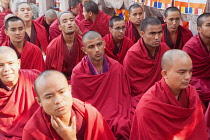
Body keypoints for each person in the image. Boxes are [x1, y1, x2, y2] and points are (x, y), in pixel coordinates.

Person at [130, 49, 208, 140]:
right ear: (165, 74)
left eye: (190, 71)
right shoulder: (148, 106)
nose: (188, 77)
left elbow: (198, 132)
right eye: (182, 72)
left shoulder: (192, 94)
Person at [71, 31, 134, 139]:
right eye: (91, 47)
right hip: (92, 113)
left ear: (104, 44)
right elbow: (79, 104)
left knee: (124, 124)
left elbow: (124, 96)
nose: (97, 50)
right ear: (84, 50)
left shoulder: (116, 67)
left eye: (99, 44)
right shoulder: (78, 73)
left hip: (115, 110)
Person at [23, 70, 115, 140]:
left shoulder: (90, 115)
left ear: (70, 90)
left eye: (62, 92)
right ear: (39, 102)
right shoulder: (32, 131)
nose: (58, 101)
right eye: (49, 97)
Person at [123, 17, 170, 99]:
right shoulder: (132, 54)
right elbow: (129, 84)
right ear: (142, 34)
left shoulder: (164, 49)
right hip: (142, 97)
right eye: (152, 34)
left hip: (162, 92)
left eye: (159, 33)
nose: (157, 37)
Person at [0, 46, 40, 139]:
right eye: (0, 65)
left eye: (10, 63)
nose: (6, 69)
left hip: (35, 133)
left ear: (18, 63)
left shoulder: (34, 79)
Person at [46, 11, 84, 82]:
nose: (69, 23)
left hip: (81, 81)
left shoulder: (83, 43)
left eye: (71, 20)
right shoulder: (52, 47)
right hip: (60, 83)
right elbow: (49, 73)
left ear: (75, 24)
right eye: (65, 21)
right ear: (59, 27)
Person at [182, 13, 210, 107]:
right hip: (196, 81)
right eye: (208, 25)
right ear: (199, 29)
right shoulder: (190, 47)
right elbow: (184, 72)